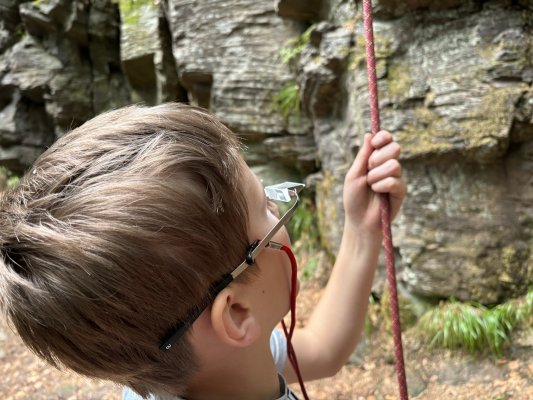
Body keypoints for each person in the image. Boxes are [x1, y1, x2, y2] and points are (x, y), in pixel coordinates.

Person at [0, 103, 406, 400]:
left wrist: (362, 230)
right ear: (235, 312)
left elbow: (323, 348)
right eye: (266, 209)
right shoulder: (224, 362)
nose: (280, 209)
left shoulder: (182, 368)